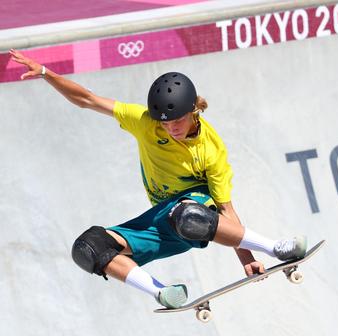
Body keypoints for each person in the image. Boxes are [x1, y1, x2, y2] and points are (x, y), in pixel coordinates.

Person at [9, 49, 307, 309]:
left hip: (197, 212)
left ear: (194, 111)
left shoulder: (210, 148)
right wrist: (46, 73)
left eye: (178, 120)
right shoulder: (144, 122)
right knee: (89, 248)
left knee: (187, 214)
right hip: (162, 219)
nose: (172, 128)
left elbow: (226, 208)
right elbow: (87, 99)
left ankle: (278, 246)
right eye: (165, 123)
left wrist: (247, 258)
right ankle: (162, 292)